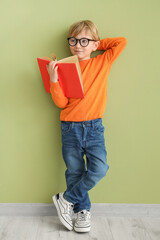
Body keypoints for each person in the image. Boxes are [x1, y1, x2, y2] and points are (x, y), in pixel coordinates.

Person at [46, 20, 127, 233]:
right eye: (73, 40)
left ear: (95, 44)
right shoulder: (65, 68)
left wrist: (95, 44)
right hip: (70, 127)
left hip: (94, 128)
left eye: (83, 41)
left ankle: (66, 198)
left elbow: (121, 42)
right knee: (74, 171)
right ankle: (82, 211)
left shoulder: (102, 61)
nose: (78, 45)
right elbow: (62, 103)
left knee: (99, 169)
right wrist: (54, 79)